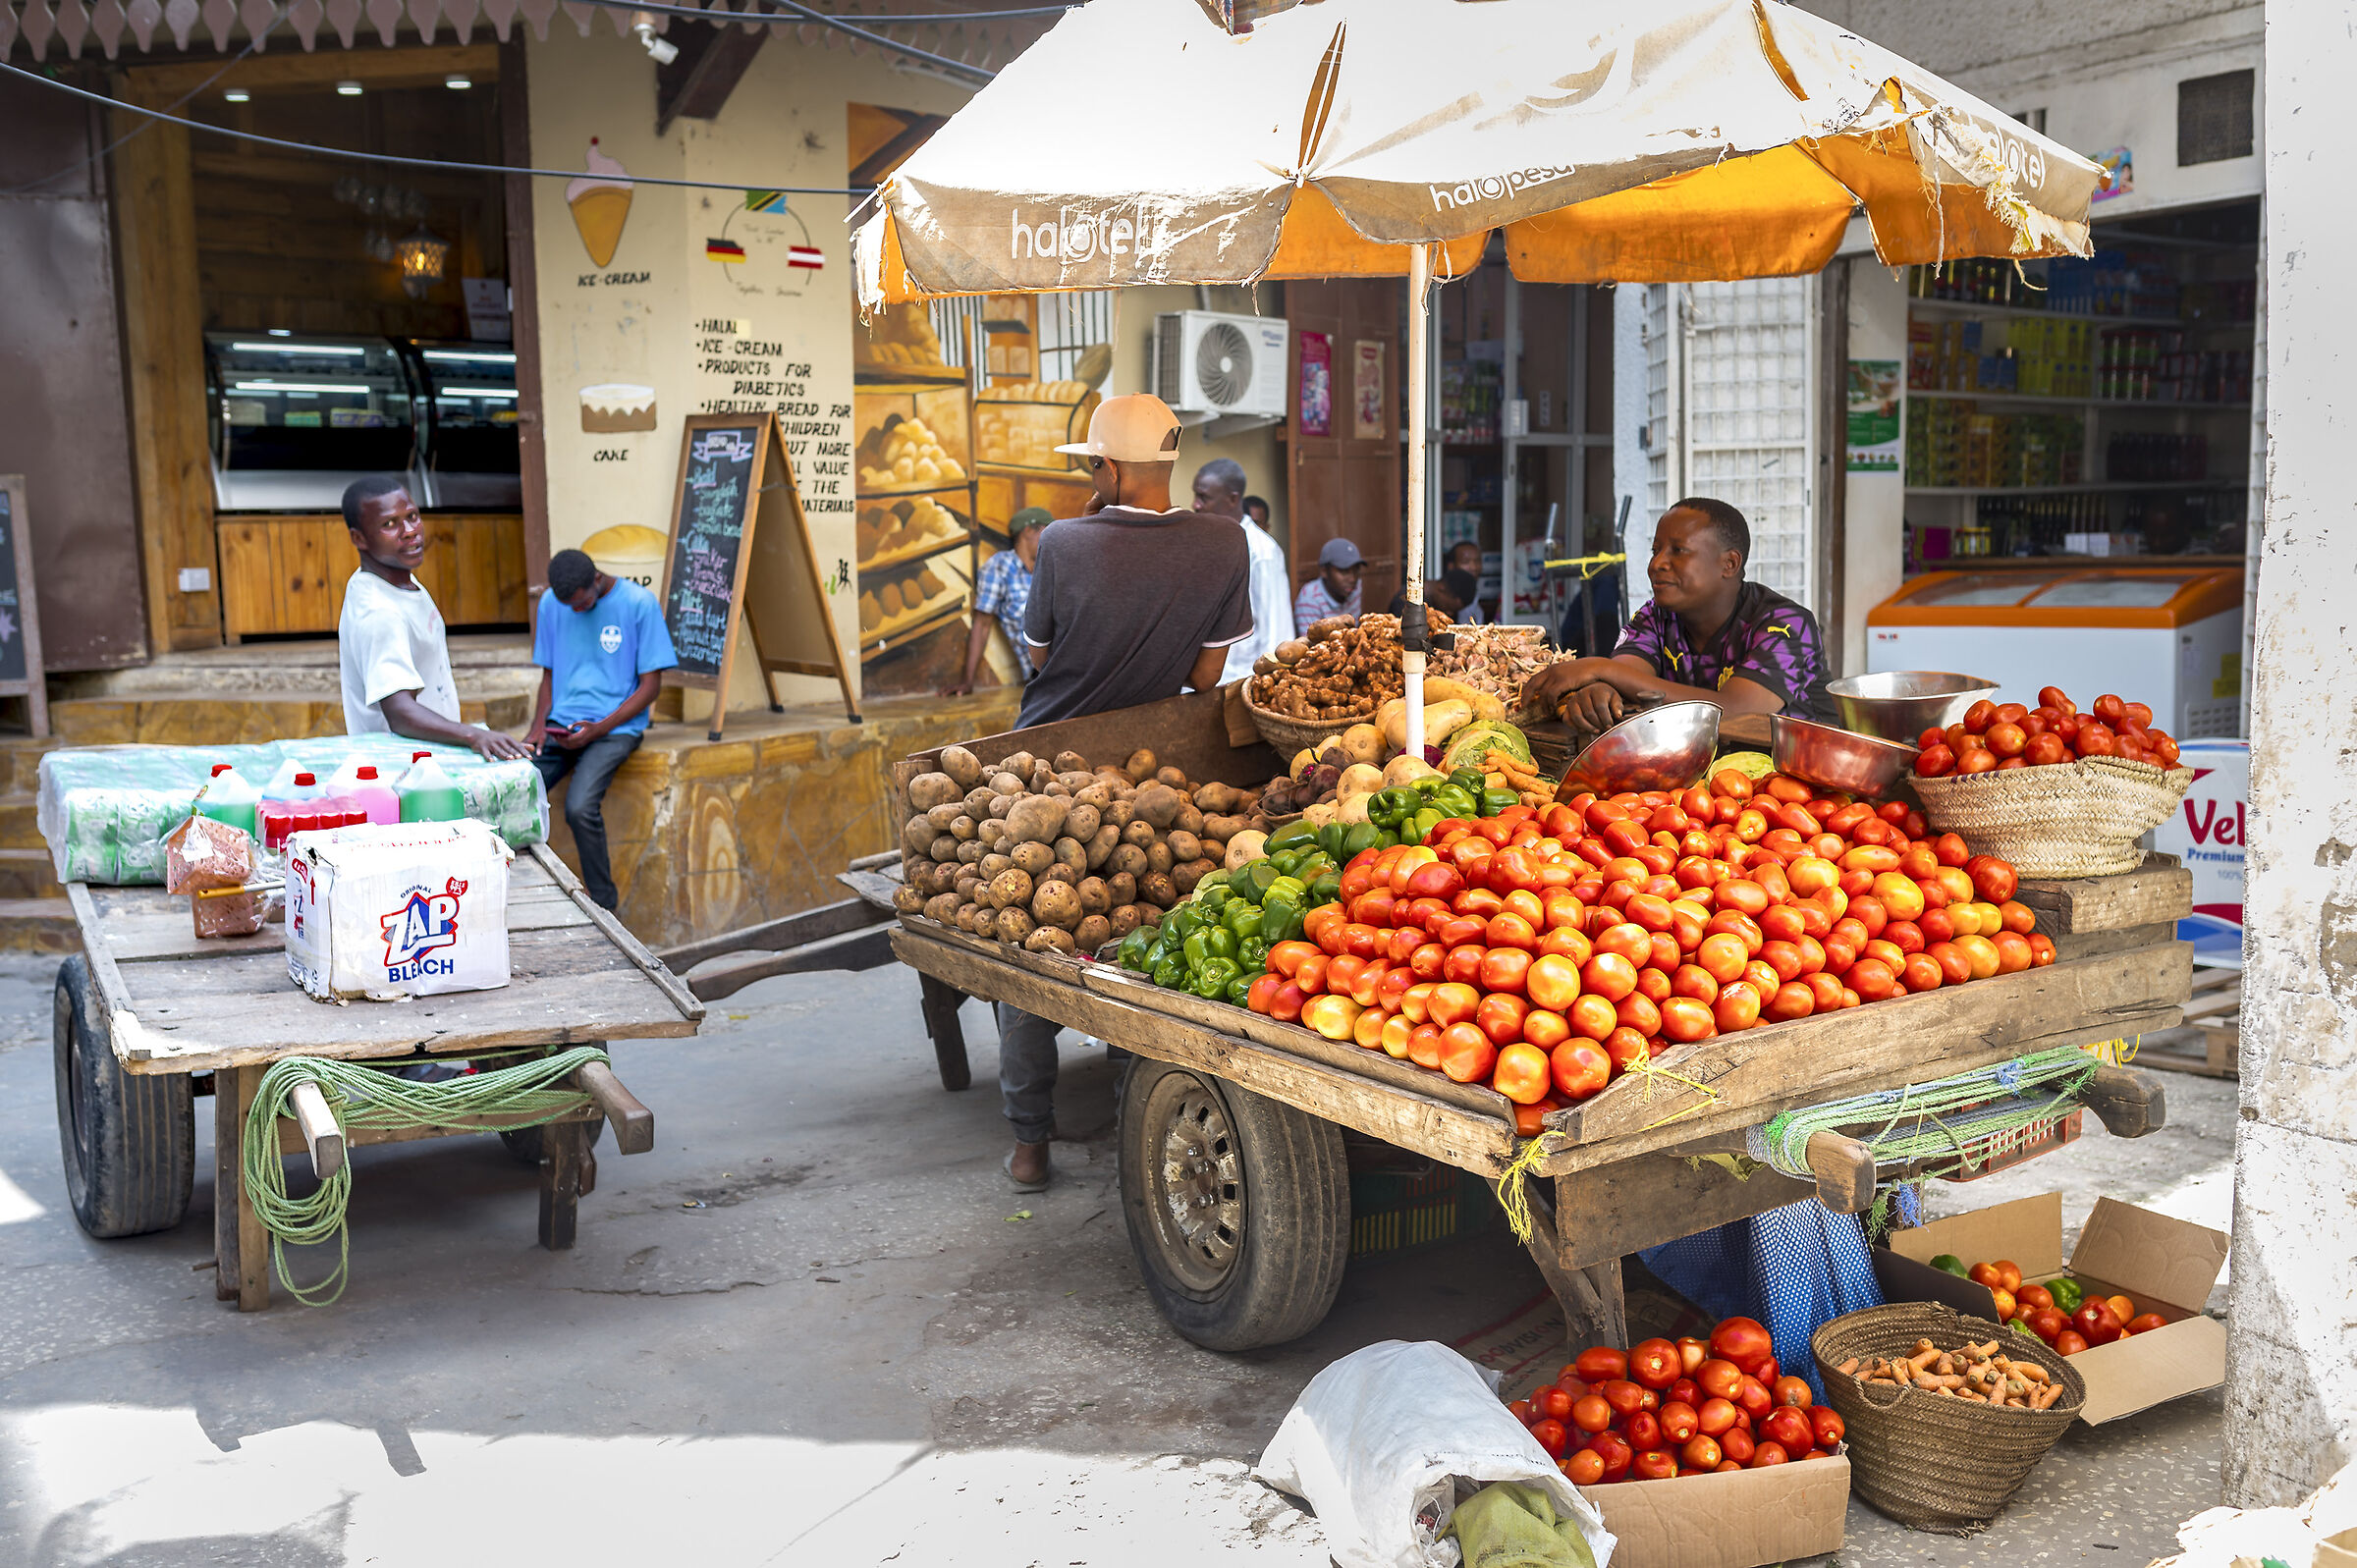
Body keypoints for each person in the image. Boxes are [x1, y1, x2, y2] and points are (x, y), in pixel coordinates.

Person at [997, 395, 1253, 1190]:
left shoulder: (1065, 541)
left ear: (1107, 467)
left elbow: (1038, 656)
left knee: (1026, 956)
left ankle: (1031, 1144)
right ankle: (1133, 1114)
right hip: (1149, 765)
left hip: (1048, 759)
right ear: (1169, 463)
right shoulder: (1227, 541)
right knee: (1140, 934)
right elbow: (1207, 675)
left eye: (1090, 465)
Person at [1522, 497, 1834, 735]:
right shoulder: (1656, 618)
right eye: (1655, 550)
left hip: (1803, 793)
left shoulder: (1785, 624)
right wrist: (1602, 693)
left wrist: (1599, 669)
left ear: (1729, 564)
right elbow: (1625, 675)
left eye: (1678, 551)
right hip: (1705, 789)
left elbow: (1737, 710)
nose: (1657, 563)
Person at [337, 475, 529, 760]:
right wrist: (474, 735)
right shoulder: (380, 613)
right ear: (359, 538)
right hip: (402, 772)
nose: (409, 531)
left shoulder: (398, 582)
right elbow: (400, 713)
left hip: (428, 760)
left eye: (412, 517)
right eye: (390, 524)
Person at [526, 548, 678, 910]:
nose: (575, 611)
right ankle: (525, 891)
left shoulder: (639, 604)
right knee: (517, 789)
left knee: (579, 808)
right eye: (569, 606)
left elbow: (650, 687)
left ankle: (604, 906)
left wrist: (599, 729)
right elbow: (548, 674)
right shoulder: (552, 603)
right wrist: (537, 728)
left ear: (596, 579)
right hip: (562, 725)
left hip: (616, 728)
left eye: (582, 604)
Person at [1192, 459, 1293, 684]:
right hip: (1200, 687)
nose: (1196, 505)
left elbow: (1277, 633)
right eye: (1195, 496)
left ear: (1232, 499)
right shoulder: (1205, 544)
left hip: (1240, 685)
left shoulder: (1262, 552)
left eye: (1204, 497)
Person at [943, 507, 1050, 696]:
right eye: (1047, 531)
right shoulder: (1000, 567)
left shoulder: (1050, 565)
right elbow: (982, 625)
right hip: (1045, 673)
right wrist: (967, 682)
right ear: (1028, 531)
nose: (1052, 539)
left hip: (1074, 660)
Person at [1293, 536, 1364, 627]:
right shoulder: (1309, 597)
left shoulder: (1355, 587)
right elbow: (1309, 640)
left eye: (1356, 570)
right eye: (1344, 571)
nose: (1352, 579)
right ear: (1324, 571)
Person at [1446, 540, 1490, 624]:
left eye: (1477, 561)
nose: (1474, 567)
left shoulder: (1476, 595)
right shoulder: (1446, 597)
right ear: (1451, 566)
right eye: (1465, 562)